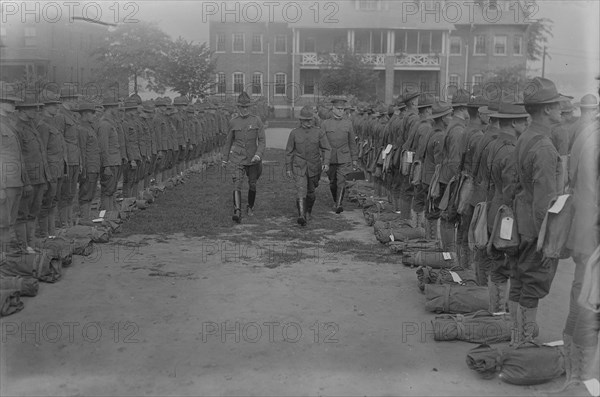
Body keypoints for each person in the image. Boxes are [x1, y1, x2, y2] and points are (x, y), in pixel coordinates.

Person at [513, 77, 571, 342]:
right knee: (533, 284)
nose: (561, 107)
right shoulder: (545, 147)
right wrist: (547, 243)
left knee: (520, 280)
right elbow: (545, 203)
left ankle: (515, 337)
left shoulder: (526, 136)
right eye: (557, 103)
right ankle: (523, 343)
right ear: (546, 109)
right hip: (536, 228)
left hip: (521, 221)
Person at [485, 103, 529, 324]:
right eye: (523, 120)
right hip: (507, 215)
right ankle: (499, 318)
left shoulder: (494, 144)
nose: (526, 123)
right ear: (513, 123)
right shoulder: (512, 150)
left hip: (494, 207)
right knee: (504, 266)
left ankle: (495, 312)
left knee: (497, 263)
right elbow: (512, 189)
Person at [14, 93, 50, 253]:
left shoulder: (32, 127)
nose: (35, 111)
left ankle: (31, 242)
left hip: (39, 178)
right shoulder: (18, 129)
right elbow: (19, 158)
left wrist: (45, 177)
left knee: (33, 213)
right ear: (22, 110)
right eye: (31, 108)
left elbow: (41, 154)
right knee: (22, 214)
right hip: (28, 179)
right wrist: (26, 181)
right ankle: (24, 246)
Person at [222, 91, 266, 223]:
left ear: (250, 107)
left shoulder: (256, 120)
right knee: (237, 183)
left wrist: (258, 154)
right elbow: (228, 142)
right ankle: (237, 211)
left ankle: (250, 207)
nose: (245, 109)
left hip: (253, 159)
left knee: (252, 184)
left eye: (247, 107)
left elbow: (262, 141)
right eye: (242, 107)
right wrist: (225, 159)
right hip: (238, 158)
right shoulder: (233, 122)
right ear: (238, 107)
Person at [285, 105, 331, 226]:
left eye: (310, 120)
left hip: (314, 167)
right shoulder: (294, 133)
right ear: (300, 120)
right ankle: (301, 216)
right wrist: (289, 168)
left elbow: (327, 148)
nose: (308, 122)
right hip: (299, 166)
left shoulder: (319, 132)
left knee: (311, 192)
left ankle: (308, 211)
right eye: (305, 120)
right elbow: (289, 152)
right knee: (301, 189)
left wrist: (326, 162)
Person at [0, 83, 26, 254]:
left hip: (15, 180)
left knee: (11, 220)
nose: (13, 105)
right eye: (9, 101)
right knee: (3, 221)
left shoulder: (9, 123)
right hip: (5, 181)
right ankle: (4, 257)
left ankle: (8, 255)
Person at [321, 97, 358, 214]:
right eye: (338, 109)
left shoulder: (348, 123)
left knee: (341, 181)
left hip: (344, 157)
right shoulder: (325, 124)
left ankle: (338, 204)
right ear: (333, 109)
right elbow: (321, 143)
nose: (341, 111)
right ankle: (335, 200)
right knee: (333, 182)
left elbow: (352, 142)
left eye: (342, 109)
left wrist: (355, 158)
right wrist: (323, 159)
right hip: (330, 157)